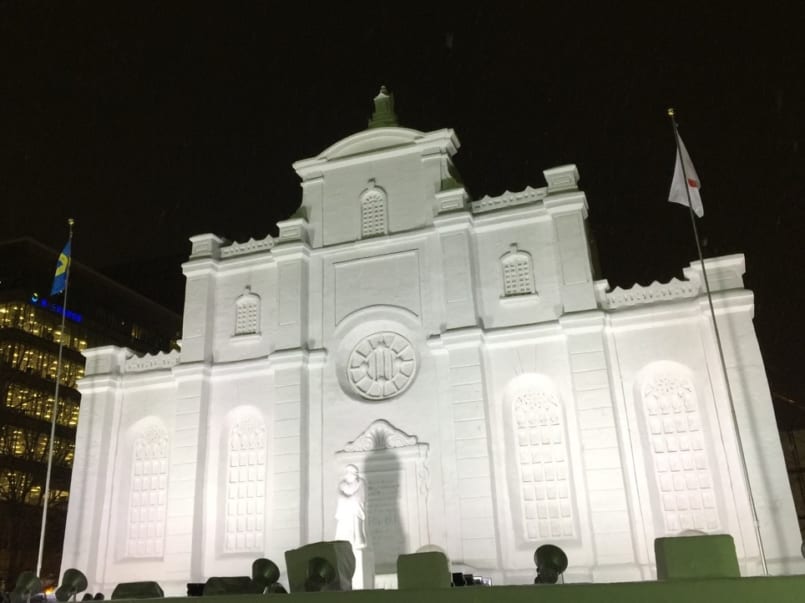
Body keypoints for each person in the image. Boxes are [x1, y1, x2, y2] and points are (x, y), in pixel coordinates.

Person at [334, 464, 367, 549]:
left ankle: (358, 540)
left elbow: (360, 496)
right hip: (345, 511)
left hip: (355, 510)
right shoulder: (342, 484)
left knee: (355, 514)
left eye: (355, 472)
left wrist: (350, 500)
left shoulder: (360, 482)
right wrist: (346, 500)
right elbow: (339, 495)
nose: (354, 474)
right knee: (344, 524)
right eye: (352, 472)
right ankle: (343, 541)